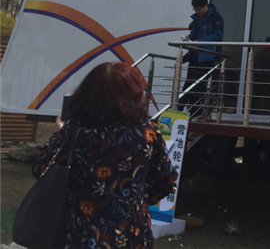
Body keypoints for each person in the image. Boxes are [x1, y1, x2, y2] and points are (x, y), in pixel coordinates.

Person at [32, 62, 177, 248]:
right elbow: (165, 182)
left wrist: (61, 132)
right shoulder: (148, 133)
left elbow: (40, 169)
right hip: (130, 235)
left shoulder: (75, 131)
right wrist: (135, 199)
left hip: (78, 234)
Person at [181, 0, 224, 116]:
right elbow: (194, 35)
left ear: (206, 6)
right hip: (195, 57)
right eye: (195, 9)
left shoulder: (216, 17)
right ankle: (190, 112)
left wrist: (199, 41)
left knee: (197, 86)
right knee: (190, 86)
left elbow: (218, 35)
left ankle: (193, 112)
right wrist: (188, 40)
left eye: (199, 9)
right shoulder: (197, 19)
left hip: (208, 57)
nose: (197, 12)